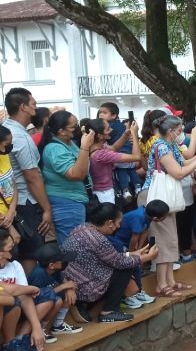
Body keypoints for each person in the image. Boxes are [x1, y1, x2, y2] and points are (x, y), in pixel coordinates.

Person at [140, 115, 196, 296]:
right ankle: (161, 285)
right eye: (179, 130)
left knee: (170, 239)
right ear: (171, 131)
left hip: (164, 198)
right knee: (163, 240)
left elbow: (184, 162)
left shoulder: (170, 145)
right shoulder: (161, 146)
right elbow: (178, 173)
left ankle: (169, 280)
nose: (181, 134)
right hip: (156, 198)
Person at [63, 203, 157, 323]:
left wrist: (135, 253)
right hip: (84, 288)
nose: (118, 226)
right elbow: (119, 262)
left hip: (75, 281)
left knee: (127, 262)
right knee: (126, 267)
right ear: (109, 223)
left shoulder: (82, 228)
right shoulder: (99, 239)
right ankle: (109, 312)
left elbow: (110, 257)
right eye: (118, 222)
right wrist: (147, 257)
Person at [3, 88, 52, 267]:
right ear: (23, 107)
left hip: (15, 202)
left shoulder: (7, 130)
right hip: (26, 202)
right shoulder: (20, 137)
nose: (36, 108)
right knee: (32, 254)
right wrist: (46, 209)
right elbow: (31, 176)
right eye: (33, 104)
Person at [40, 111, 94, 245]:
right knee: (73, 245)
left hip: (74, 200)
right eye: (74, 127)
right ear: (61, 131)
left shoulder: (68, 143)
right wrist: (85, 147)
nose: (78, 129)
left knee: (77, 243)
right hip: (67, 203)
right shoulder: (55, 149)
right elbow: (76, 174)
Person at [107, 199, 165, 309]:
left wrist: (141, 250)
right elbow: (134, 239)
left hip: (127, 242)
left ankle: (138, 291)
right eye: (164, 217)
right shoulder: (139, 217)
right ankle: (128, 297)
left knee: (137, 266)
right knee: (132, 266)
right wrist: (133, 254)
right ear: (156, 218)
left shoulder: (147, 214)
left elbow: (144, 231)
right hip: (119, 242)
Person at [0, 228, 46, 351]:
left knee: (46, 295)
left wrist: (37, 327)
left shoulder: (15, 265)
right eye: (10, 247)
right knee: (8, 302)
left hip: (12, 309)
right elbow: (10, 293)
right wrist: (30, 288)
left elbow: (21, 294)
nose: (14, 250)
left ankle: (13, 343)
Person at [28, 242, 81, 339]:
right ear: (51, 265)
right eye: (62, 260)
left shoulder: (55, 270)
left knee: (67, 295)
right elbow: (37, 295)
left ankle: (58, 326)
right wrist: (63, 287)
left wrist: (69, 288)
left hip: (51, 299)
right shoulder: (38, 274)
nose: (65, 262)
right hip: (37, 307)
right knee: (57, 301)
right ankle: (39, 329)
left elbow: (64, 281)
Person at [89, 117, 142, 204]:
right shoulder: (101, 154)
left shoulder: (97, 146)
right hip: (105, 194)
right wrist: (134, 134)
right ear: (99, 136)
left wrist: (126, 134)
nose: (111, 129)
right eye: (108, 129)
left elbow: (114, 148)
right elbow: (137, 157)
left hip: (103, 191)